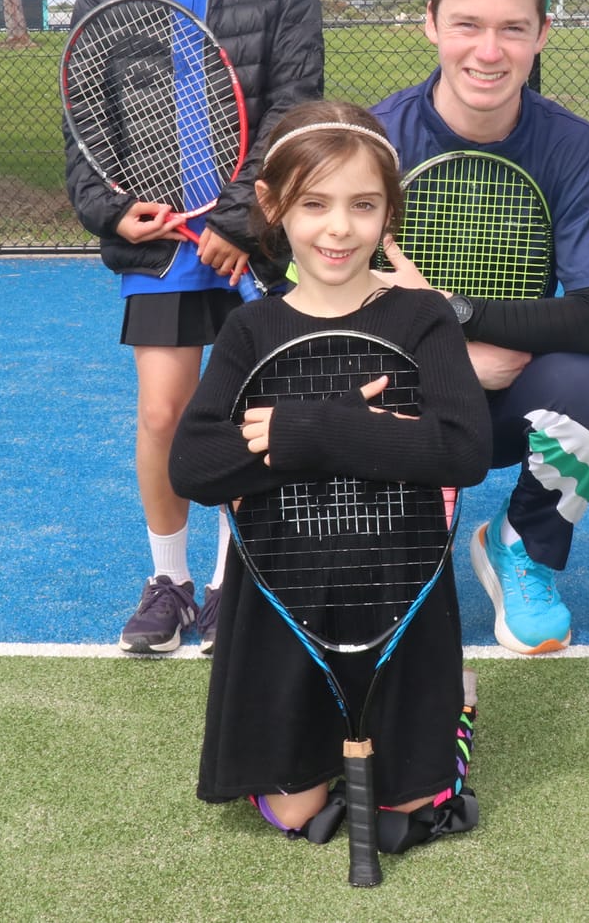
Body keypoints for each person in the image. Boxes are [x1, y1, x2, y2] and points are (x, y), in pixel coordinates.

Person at [168, 101, 487, 853]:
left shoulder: (421, 318)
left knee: (409, 821)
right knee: (297, 814)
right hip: (285, 602)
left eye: (362, 205)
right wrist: (361, 424)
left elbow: (465, 447)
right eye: (314, 203)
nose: (338, 227)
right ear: (275, 208)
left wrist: (313, 426)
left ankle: (454, 707)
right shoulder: (252, 329)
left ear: (387, 214)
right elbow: (196, 463)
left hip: (399, 596)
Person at [65, 0, 323, 655]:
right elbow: (83, 112)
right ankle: (169, 579)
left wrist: (247, 221)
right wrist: (112, 211)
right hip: (162, 244)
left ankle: (227, 583)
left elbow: (293, 114)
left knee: (248, 414)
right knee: (164, 416)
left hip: (248, 244)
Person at [371, 0, 589, 655]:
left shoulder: (571, 145)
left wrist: (453, 314)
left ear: (542, 33)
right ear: (430, 25)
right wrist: (440, 352)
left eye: (512, 28)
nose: (489, 51)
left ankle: (526, 547)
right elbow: (314, 303)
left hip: (507, 391)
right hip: (404, 390)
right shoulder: (374, 139)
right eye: (467, 25)